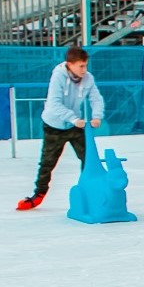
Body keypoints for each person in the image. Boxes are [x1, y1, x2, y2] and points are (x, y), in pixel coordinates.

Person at [17, 46, 104, 211]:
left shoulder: (88, 78)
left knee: (89, 158)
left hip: (75, 125)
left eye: (86, 65)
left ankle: (88, 191)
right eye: (81, 66)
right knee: (47, 163)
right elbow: (54, 104)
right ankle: (39, 194)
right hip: (54, 126)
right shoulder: (58, 77)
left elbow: (96, 99)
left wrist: (97, 116)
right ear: (70, 65)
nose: (84, 70)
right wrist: (73, 118)